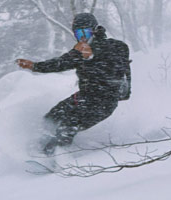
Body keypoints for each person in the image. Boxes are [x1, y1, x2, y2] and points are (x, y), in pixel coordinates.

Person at [15, 13, 132, 156]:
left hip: (103, 102)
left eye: (86, 32)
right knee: (52, 116)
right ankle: (36, 146)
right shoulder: (80, 50)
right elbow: (59, 63)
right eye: (78, 33)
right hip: (84, 97)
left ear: (95, 30)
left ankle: (56, 158)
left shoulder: (116, 46)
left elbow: (118, 67)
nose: (82, 37)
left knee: (68, 126)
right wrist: (34, 66)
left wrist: (94, 54)